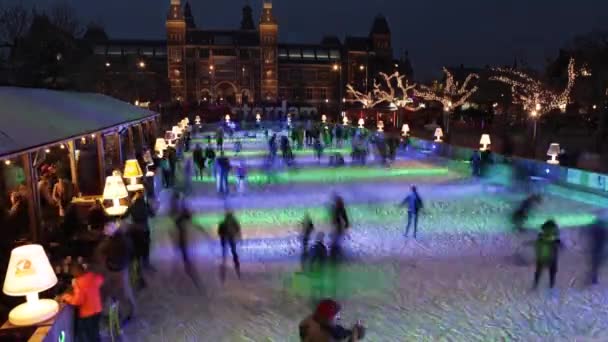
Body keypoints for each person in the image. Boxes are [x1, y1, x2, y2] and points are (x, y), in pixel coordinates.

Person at [96, 222, 136, 323]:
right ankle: (123, 312)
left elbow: (102, 251)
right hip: (116, 269)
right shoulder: (118, 240)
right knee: (108, 291)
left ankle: (128, 313)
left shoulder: (117, 241)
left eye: (107, 229)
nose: (105, 231)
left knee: (123, 294)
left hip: (118, 270)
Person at [61, 263, 104, 342]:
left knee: (86, 335)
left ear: (76, 271)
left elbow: (78, 301)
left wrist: (66, 297)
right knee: (95, 332)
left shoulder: (78, 282)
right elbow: (101, 280)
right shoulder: (92, 275)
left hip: (87, 314)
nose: (72, 274)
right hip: (97, 310)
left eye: (72, 272)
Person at [170, 191, 201, 289]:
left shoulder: (179, 215)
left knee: (186, 262)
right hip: (183, 241)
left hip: (183, 241)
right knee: (186, 262)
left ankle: (196, 282)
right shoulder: (181, 215)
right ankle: (195, 282)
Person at [299, 299, 364, 342]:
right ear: (327, 318)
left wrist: (351, 333)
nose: (339, 318)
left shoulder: (309, 320)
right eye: (336, 316)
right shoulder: (325, 338)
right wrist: (354, 337)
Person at [124, 191, 155, 272]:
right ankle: (146, 264)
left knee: (136, 249)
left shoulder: (132, 206)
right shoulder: (145, 206)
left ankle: (137, 266)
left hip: (135, 229)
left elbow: (124, 216)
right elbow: (152, 215)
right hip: (144, 229)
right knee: (145, 248)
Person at [533, 220, 561, 290]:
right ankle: (551, 285)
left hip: (543, 257)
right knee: (551, 271)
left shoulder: (541, 237)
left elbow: (537, 245)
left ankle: (536, 284)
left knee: (539, 271)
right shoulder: (554, 238)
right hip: (550, 257)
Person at [218, 210, 241, 282]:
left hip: (226, 239)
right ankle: (237, 270)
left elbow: (219, 232)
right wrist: (238, 237)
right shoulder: (233, 222)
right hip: (230, 239)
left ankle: (224, 274)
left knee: (226, 256)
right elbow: (238, 229)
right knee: (233, 254)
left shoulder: (223, 222)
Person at [329, 194, 349, 262]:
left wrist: (346, 224)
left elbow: (344, 217)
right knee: (336, 239)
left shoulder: (339, 208)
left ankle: (336, 253)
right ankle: (336, 252)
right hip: (337, 226)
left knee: (336, 239)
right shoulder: (338, 208)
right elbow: (344, 218)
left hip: (338, 226)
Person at [588, 219, 606, 285]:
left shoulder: (595, 228)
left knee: (594, 264)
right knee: (596, 264)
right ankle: (594, 278)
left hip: (595, 248)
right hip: (599, 249)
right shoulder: (603, 229)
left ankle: (593, 278)